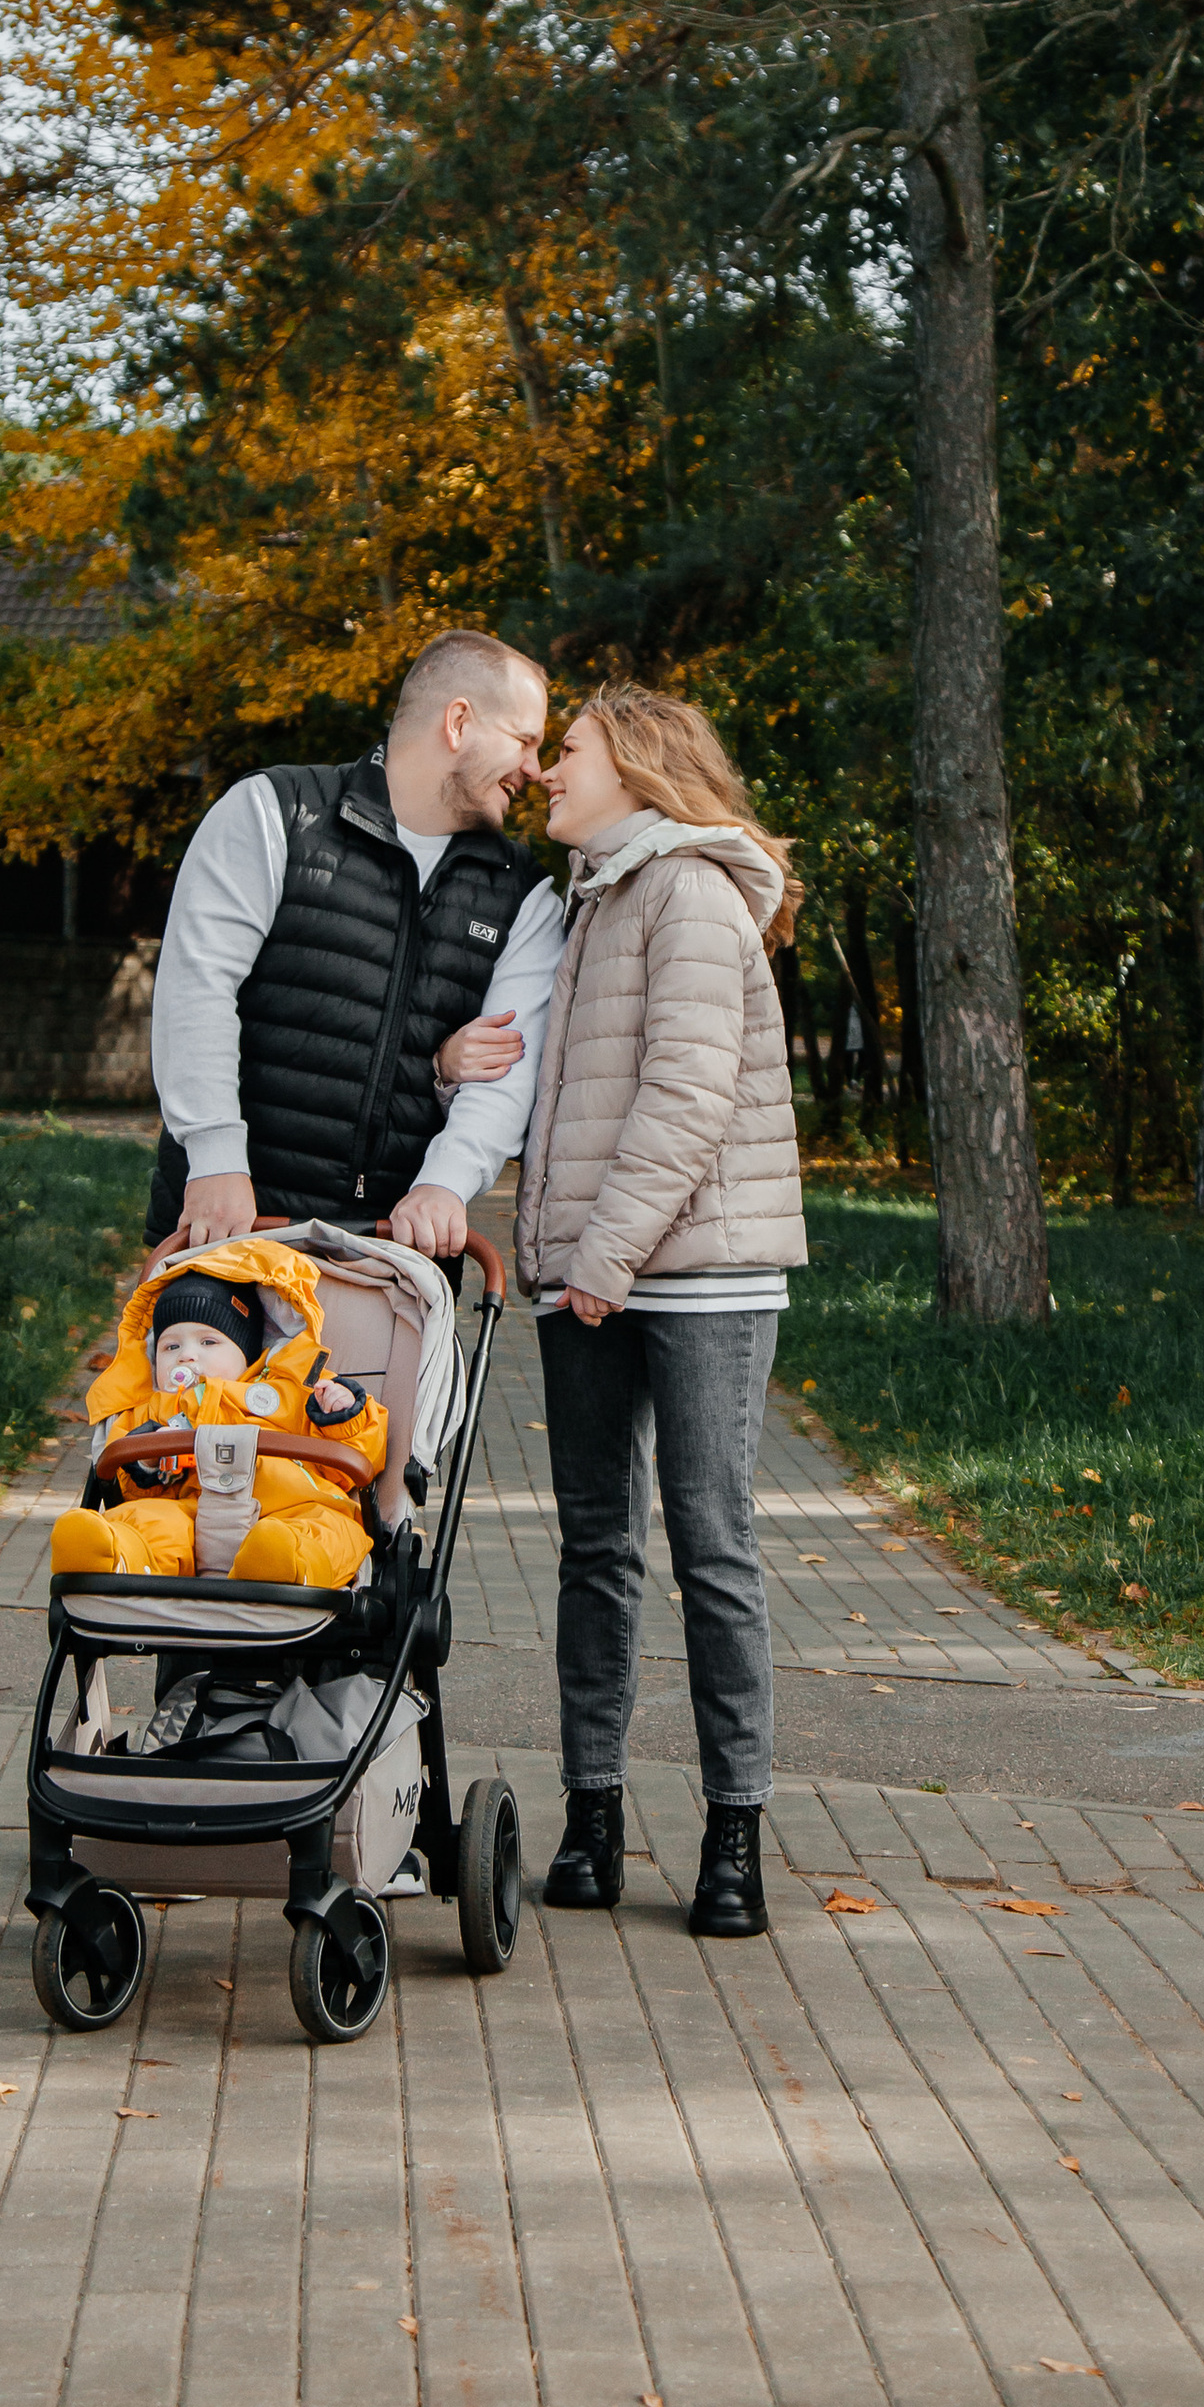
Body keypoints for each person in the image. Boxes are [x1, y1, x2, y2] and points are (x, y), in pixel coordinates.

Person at [512, 685, 806, 1941]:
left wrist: (602, 1255)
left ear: (632, 767)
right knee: (594, 1550)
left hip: (695, 1274)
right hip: (593, 1272)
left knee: (710, 1544)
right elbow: (553, 1085)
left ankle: (732, 1836)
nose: (543, 773)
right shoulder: (577, 904)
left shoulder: (684, 892)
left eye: (563, 751)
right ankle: (591, 1820)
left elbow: (685, 1094)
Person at [145, 631, 564, 1263]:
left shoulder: (522, 895)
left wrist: (443, 1187)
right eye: (525, 740)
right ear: (458, 722)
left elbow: (508, 1068)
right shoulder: (274, 814)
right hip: (233, 1228)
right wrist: (214, 1158)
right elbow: (196, 988)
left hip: (394, 1257)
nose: (535, 768)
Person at [53, 1240, 385, 1589]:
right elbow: (124, 1482)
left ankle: (288, 1564)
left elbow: (359, 1461)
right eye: (171, 1346)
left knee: (332, 1528)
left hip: (287, 1506)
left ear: (247, 1351)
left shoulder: (295, 1387)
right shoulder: (154, 1407)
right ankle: (113, 1556)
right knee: (143, 1520)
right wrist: (148, 1461)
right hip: (190, 1514)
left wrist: (343, 1415)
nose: (186, 1356)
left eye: (208, 1342)